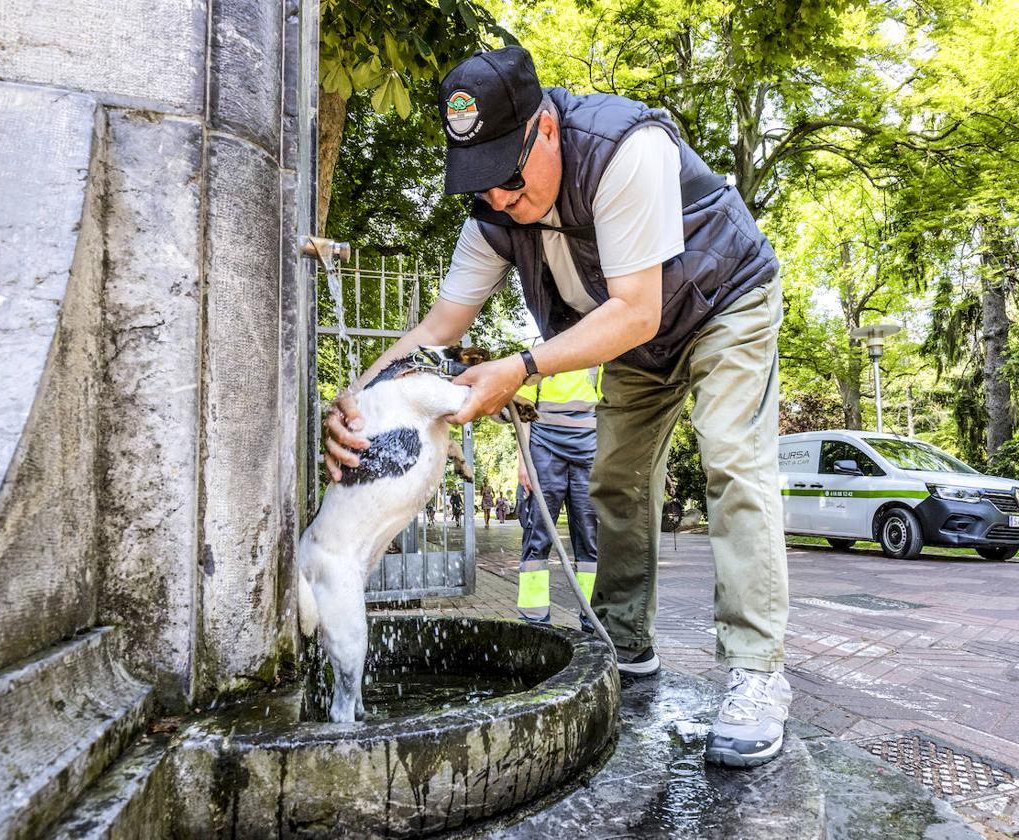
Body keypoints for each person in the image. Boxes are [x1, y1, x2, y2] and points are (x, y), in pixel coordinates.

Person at [322, 45, 790, 769]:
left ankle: (756, 674)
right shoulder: (492, 215)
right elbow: (436, 331)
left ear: (545, 129)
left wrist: (522, 368)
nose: (500, 199)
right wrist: (354, 401)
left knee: (731, 456)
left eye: (508, 176)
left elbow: (636, 310)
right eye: (481, 185)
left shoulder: (622, 150)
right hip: (637, 340)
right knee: (616, 482)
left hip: (724, 302)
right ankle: (626, 650)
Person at [514, 365, 601, 628]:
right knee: (537, 533)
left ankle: (592, 618)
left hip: (588, 454)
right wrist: (523, 462)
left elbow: (611, 412)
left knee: (590, 538)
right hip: (544, 450)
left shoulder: (599, 361)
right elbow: (522, 413)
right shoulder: (540, 358)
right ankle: (534, 619)